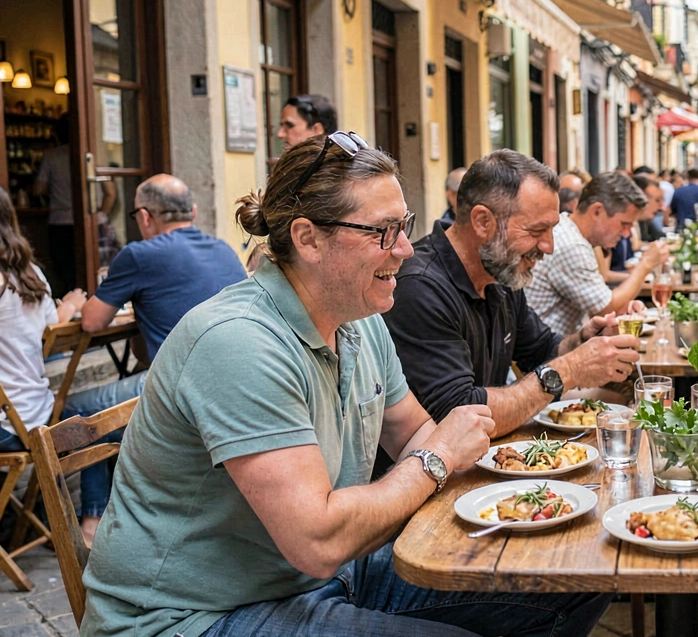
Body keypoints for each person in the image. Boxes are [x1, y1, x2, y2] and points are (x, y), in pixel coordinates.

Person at [81, 134, 611, 636]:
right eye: (383, 231)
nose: (405, 249)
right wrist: (438, 458)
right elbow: (320, 539)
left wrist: (513, 489)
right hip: (193, 615)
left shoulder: (359, 318)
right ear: (308, 238)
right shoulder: (239, 341)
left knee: (573, 582)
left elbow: (414, 435)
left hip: (321, 578)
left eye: (403, 225)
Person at [382, 151, 646, 436]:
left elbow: (542, 351)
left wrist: (585, 341)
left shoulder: (500, 270)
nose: (548, 246)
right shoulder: (419, 287)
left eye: (552, 230)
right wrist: (570, 369)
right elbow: (460, 415)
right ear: (483, 222)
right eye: (537, 230)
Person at [0, 187, 144, 546]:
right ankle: (74, 520)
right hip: (37, 411)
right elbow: (49, 329)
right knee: (85, 420)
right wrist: (68, 306)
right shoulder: (30, 274)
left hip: (8, 424)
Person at [80, 175, 247, 361]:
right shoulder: (223, 249)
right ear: (194, 212)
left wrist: (75, 304)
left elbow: (91, 322)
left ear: (145, 216)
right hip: (242, 369)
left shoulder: (139, 255)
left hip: (188, 377)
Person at [526, 172, 669, 336]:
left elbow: (601, 305)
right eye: (624, 224)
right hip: (549, 349)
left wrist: (622, 307)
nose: (627, 233)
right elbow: (604, 309)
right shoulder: (572, 246)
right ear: (597, 211)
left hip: (561, 342)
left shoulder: (569, 229)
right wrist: (645, 265)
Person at [31, 116, 75, 295]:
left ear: (56, 134)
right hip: (86, 220)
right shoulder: (89, 153)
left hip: (60, 221)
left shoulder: (52, 156)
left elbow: (37, 189)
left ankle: (67, 302)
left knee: (64, 270)